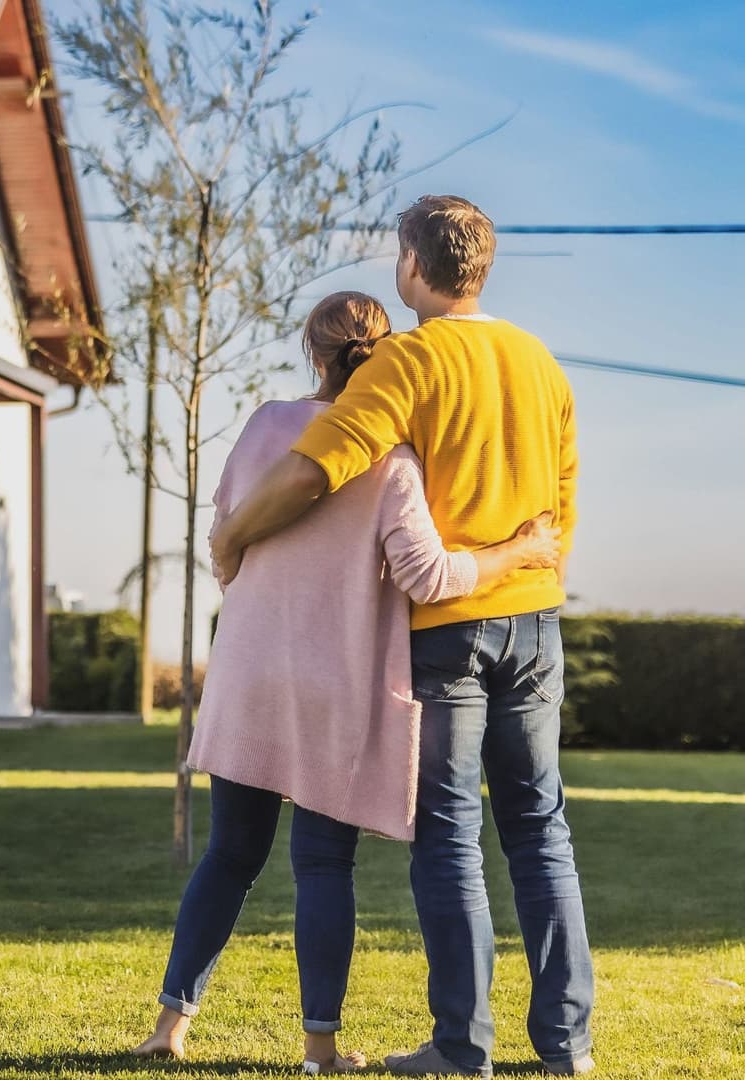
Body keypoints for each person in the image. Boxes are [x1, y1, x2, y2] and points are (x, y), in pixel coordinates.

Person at [211, 195, 594, 1078]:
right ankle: (566, 1048)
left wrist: (232, 537)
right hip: (535, 621)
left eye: (398, 255)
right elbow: (561, 504)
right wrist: (528, 565)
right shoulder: (541, 363)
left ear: (415, 267)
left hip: (450, 631)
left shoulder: (410, 361)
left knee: (452, 836)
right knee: (542, 830)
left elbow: (315, 470)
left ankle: (464, 1049)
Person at [135, 290, 561, 1075]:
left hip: (251, 671)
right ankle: (320, 1048)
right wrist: (518, 552)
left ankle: (168, 1028)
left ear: (313, 352)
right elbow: (428, 577)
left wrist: (246, 582)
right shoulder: (393, 459)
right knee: (322, 866)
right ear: (386, 356)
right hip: (337, 686)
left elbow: (224, 529)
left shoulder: (263, 426)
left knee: (229, 854)